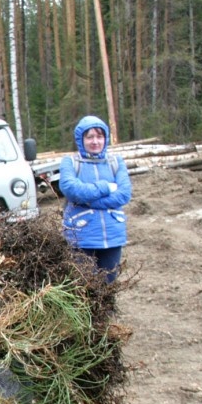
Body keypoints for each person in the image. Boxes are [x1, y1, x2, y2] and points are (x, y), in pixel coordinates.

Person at [57, 115, 132, 284]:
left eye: (99, 136)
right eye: (89, 137)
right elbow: (71, 190)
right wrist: (106, 187)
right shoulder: (70, 162)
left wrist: (89, 200)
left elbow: (124, 194)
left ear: (105, 139)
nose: (95, 141)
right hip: (81, 236)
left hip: (113, 236)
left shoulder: (116, 162)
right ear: (80, 139)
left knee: (108, 287)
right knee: (83, 287)